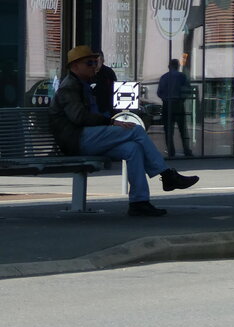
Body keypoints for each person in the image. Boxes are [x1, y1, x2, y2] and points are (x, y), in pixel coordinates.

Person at [49, 44, 198, 217]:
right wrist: (110, 121)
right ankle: (166, 175)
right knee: (135, 131)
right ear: (75, 67)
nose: (94, 66)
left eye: (95, 62)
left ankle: (139, 202)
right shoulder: (69, 87)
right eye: (89, 63)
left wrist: (108, 121)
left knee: (132, 149)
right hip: (77, 140)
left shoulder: (83, 85)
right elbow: (79, 117)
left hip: (86, 137)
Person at [156, 58, 194, 159]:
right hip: (178, 104)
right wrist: (182, 99)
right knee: (183, 129)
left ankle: (171, 151)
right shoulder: (182, 76)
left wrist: (166, 99)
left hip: (167, 104)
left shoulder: (164, 77)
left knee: (168, 130)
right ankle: (186, 150)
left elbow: (159, 92)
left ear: (169, 66)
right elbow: (187, 90)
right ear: (177, 66)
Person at [92, 50, 117, 115]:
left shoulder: (108, 73)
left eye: (96, 61)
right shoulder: (88, 72)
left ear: (102, 60)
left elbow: (114, 90)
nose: (94, 64)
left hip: (107, 108)